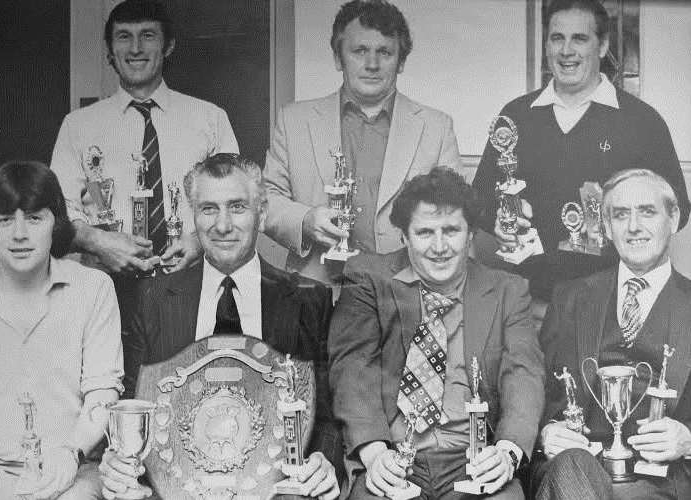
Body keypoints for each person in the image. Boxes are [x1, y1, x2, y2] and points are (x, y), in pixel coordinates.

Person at [99, 153, 340, 500]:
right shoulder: (153, 299)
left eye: (238, 207)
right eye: (208, 209)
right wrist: (116, 459)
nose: (222, 225)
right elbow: (134, 400)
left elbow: (327, 416)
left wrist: (324, 460)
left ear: (263, 212)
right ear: (192, 215)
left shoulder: (308, 299)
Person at [329, 167, 545, 499]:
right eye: (425, 232)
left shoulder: (506, 290)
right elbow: (353, 370)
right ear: (404, 236)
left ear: (471, 233)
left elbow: (524, 372)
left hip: (474, 457)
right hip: (394, 455)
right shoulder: (367, 279)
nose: (440, 246)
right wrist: (374, 453)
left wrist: (507, 451)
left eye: (451, 230)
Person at [472, 0, 689, 305]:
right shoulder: (516, 115)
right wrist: (499, 220)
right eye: (557, 38)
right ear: (547, 44)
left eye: (580, 38)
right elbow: (479, 198)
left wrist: (628, 220)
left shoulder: (643, 121)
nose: (566, 51)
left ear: (602, 46)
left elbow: (678, 211)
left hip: (611, 308)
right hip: (526, 304)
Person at [0, 161, 124, 500]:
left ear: (56, 224)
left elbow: (103, 391)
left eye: (35, 218)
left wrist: (70, 454)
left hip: (76, 472)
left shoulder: (94, 288)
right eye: (5, 219)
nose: (19, 234)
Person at [264, 0, 462, 285]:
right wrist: (305, 220)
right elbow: (266, 199)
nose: (372, 64)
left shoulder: (437, 127)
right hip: (316, 289)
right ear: (338, 58)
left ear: (401, 61)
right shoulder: (294, 120)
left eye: (384, 52)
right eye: (360, 51)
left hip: (407, 291)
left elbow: (455, 213)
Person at [534, 168, 691, 500]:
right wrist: (546, 432)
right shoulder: (569, 298)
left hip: (662, 482)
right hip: (574, 470)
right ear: (606, 227)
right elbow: (533, 390)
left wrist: (688, 440)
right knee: (571, 466)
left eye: (647, 212)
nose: (634, 227)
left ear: (674, 219)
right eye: (621, 215)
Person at [51, 0, 238, 276]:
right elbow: (58, 210)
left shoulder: (211, 119)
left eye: (147, 35)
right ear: (110, 51)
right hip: (105, 283)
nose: (135, 48)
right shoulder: (77, 126)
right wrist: (99, 242)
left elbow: (236, 202)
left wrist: (199, 243)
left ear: (168, 46)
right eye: (124, 36)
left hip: (193, 281)